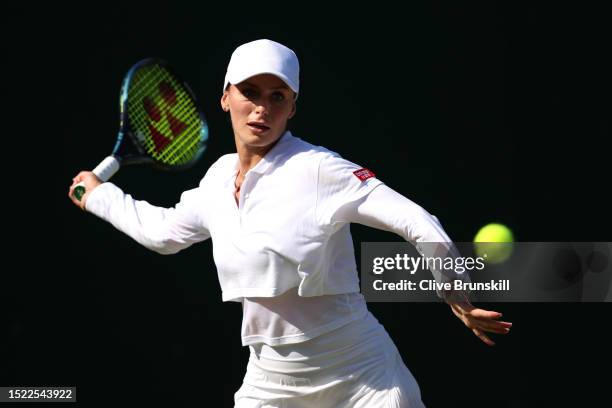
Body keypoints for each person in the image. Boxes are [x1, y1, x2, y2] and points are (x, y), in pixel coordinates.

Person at [69, 39, 512, 407]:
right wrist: (99, 196)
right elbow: (164, 234)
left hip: (362, 379)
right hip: (270, 383)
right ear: (226, 97)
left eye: (276, 96)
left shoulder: (321, 170)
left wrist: (457, 294)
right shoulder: (218, 179)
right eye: (250, 92)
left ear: (292, 107)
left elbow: (420, 223)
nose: (261, 108)